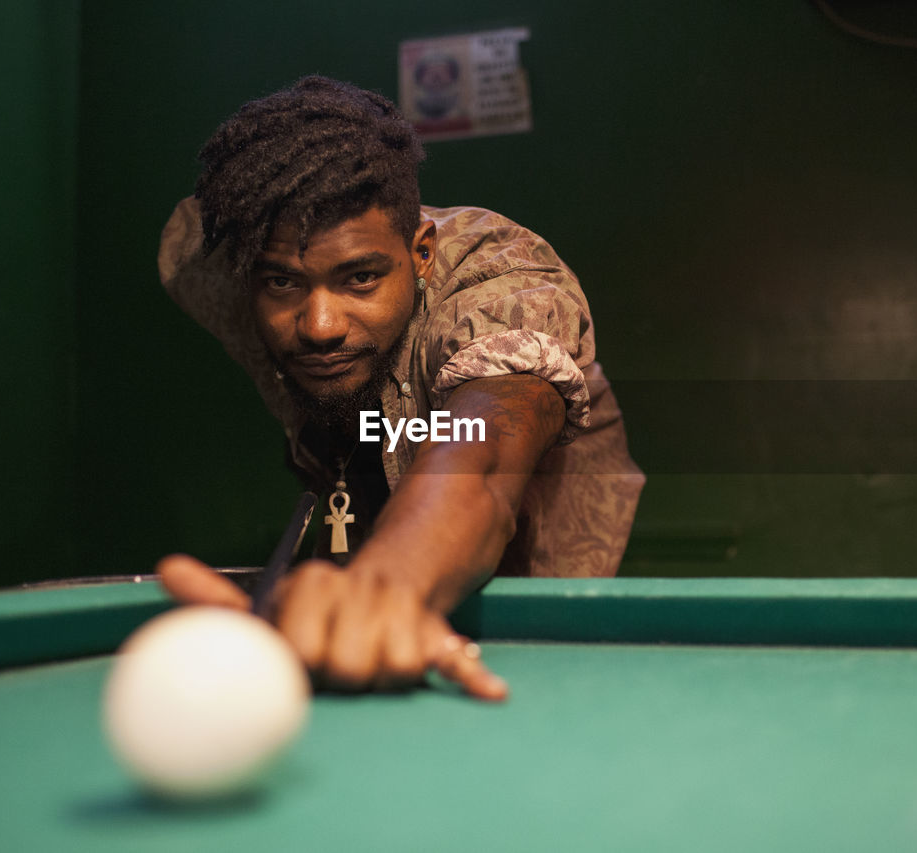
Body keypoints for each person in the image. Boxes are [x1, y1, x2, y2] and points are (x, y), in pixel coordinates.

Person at [155, 76, 643, 700]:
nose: (320, 327)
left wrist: (383, 585)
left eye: (360, 278)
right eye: (281, 284)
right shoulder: (209, 255)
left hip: (527, 525)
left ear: (421, 254)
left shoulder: (504, 284)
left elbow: (482, 450)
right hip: (368, 455)